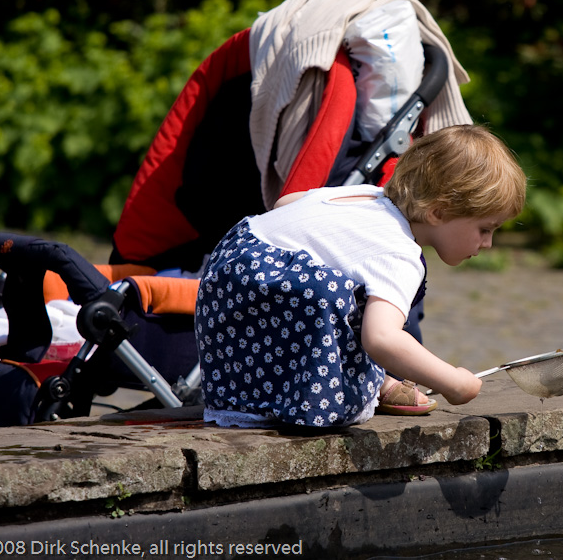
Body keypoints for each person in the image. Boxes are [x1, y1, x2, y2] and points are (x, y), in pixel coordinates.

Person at [195, 124, 527, 428]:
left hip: (226, 293)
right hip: (256, 339)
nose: (488, 243)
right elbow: (382, 339)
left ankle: (374, 381)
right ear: (437, 212)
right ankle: (350, 389)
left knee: (333, 285)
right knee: (334, 294)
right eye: (485, 229)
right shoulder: (399, 253)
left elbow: (287, 201)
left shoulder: (365, 196)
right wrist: (452, 381)